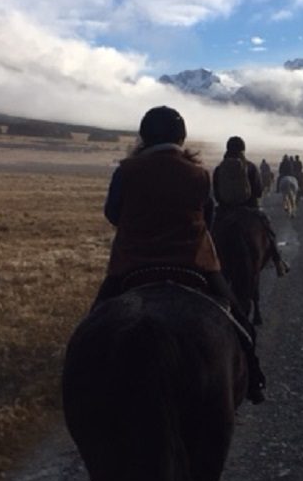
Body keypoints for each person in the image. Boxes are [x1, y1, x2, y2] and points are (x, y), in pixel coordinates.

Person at [96, 106, 267, 403]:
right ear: (182, 136)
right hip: (194, 264)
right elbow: (208, 220)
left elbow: (113, 214)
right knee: (241, 323)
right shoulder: (198, 174)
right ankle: (254, 380)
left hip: (131, 264)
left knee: (95, 322)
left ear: (144, 136)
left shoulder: (127, 171)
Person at [213, 136, 289, 277]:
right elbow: (259, 192)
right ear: (243, 149)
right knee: (268, 229)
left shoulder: (219, 169)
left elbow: (217, 195)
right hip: (250, 210)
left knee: (211, 234)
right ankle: (278, 261)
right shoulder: (251, 167)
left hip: (225, 211)